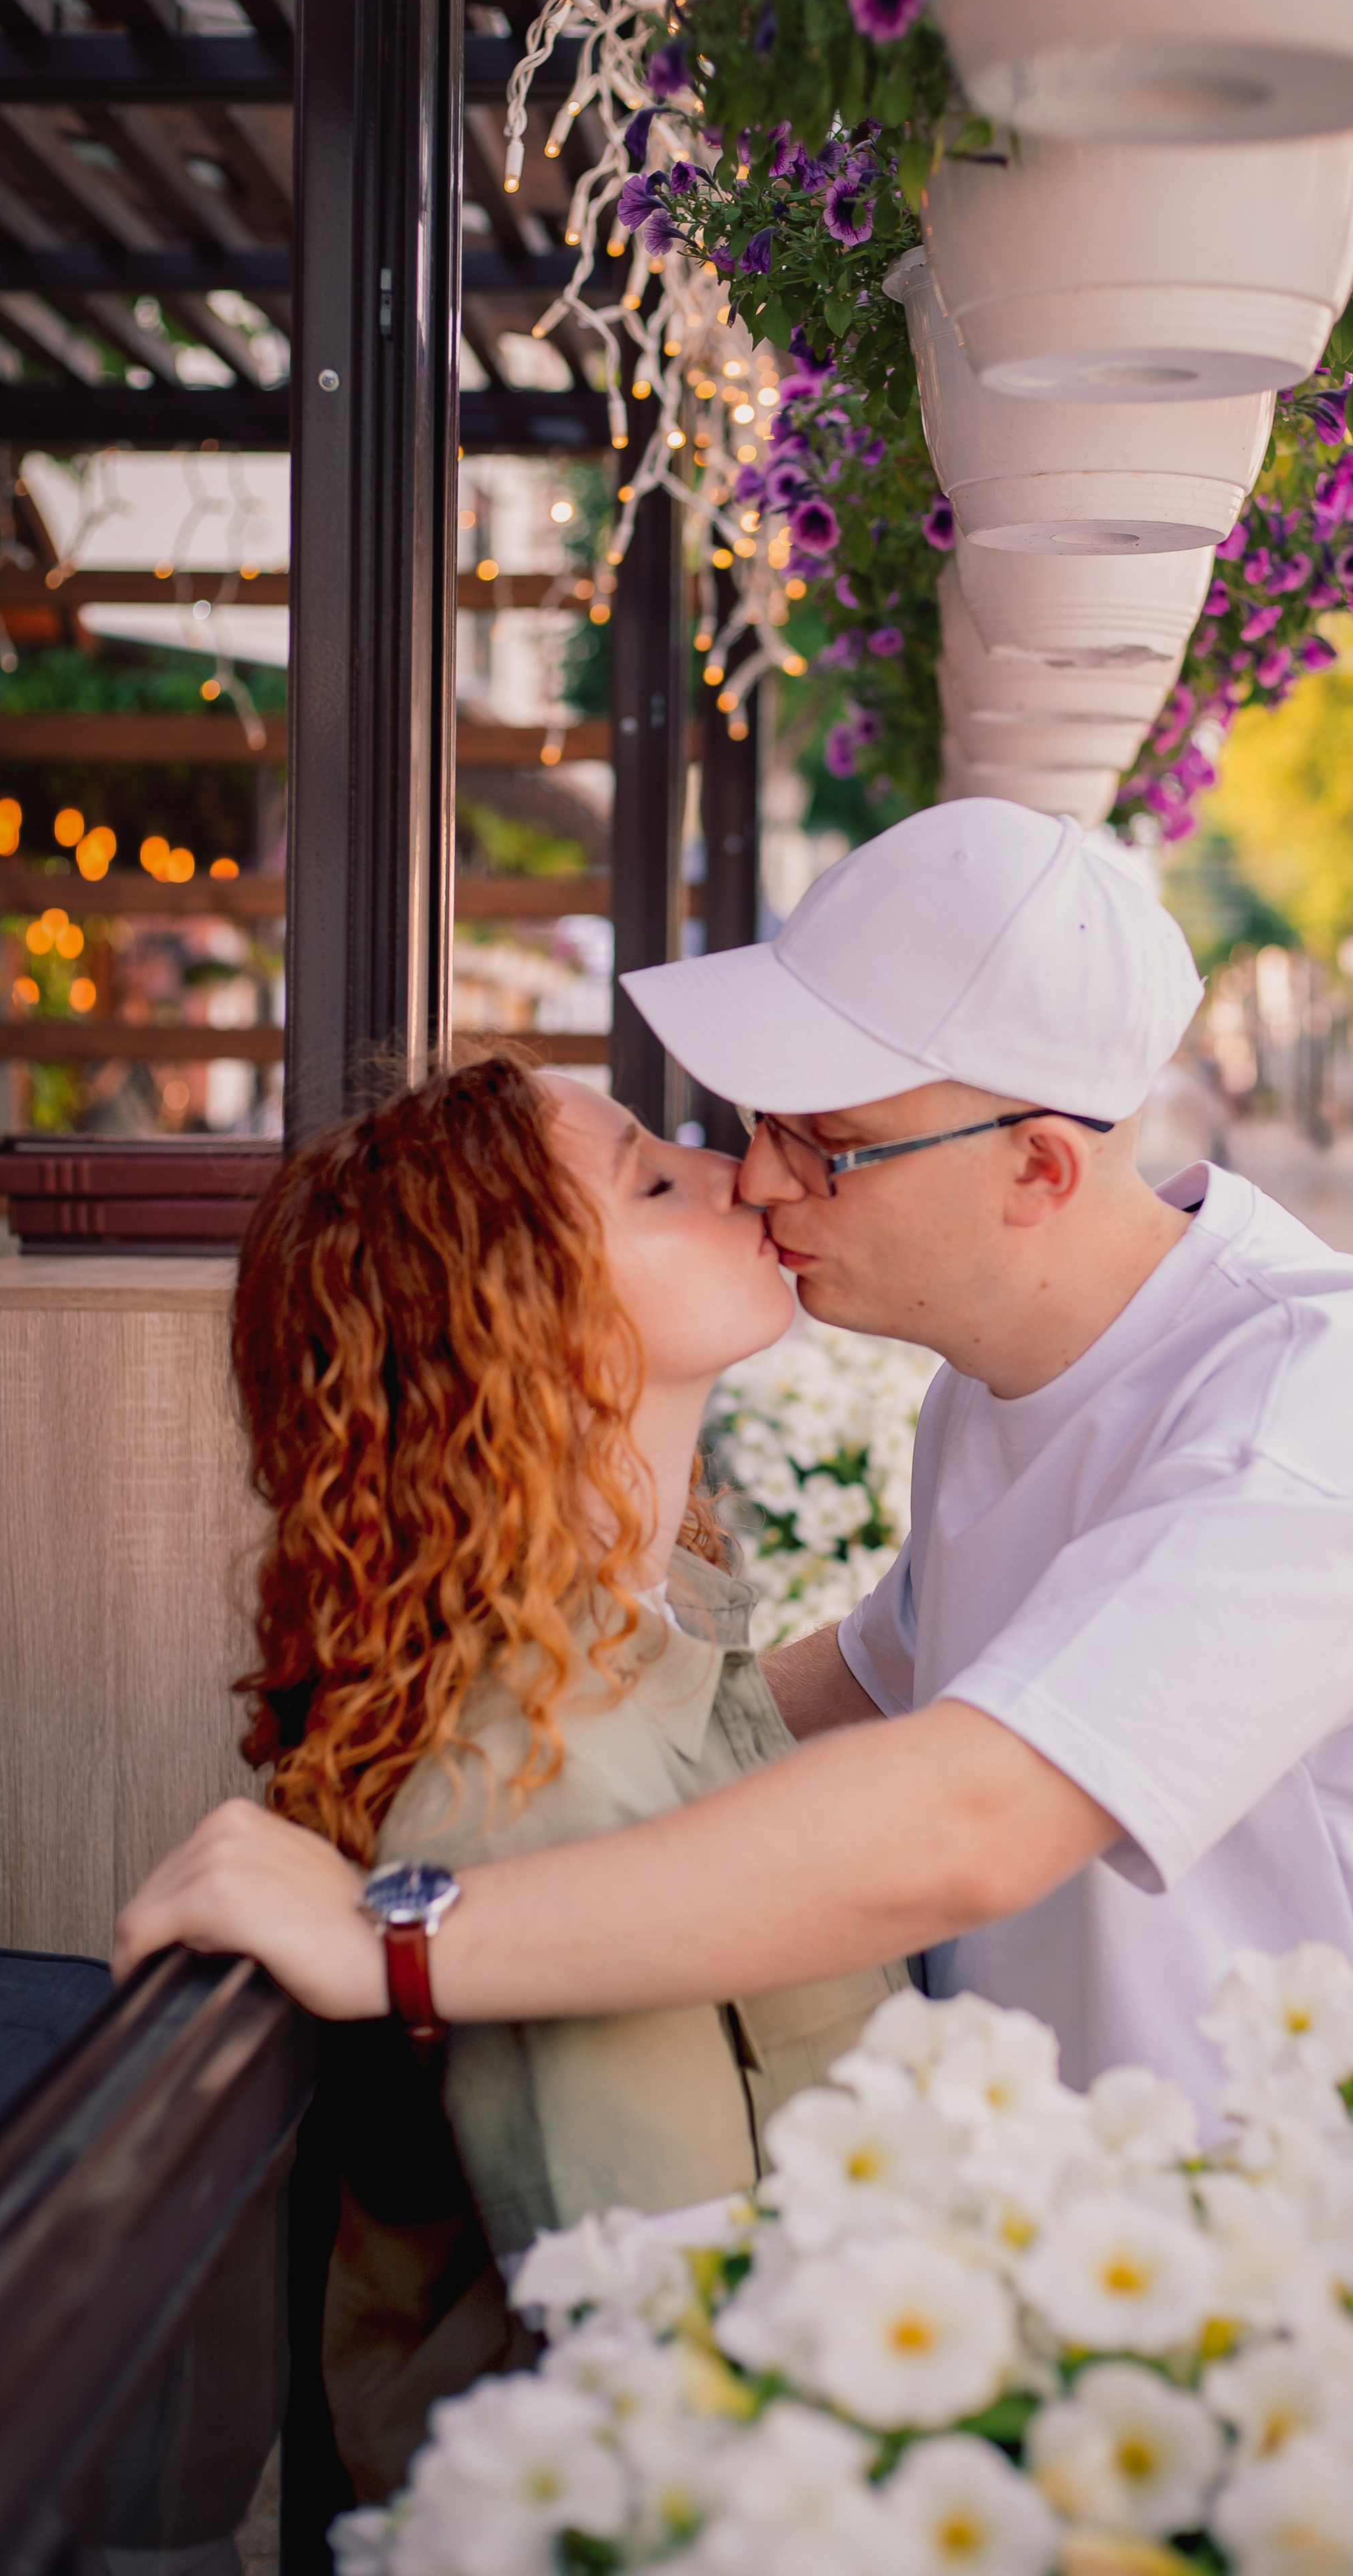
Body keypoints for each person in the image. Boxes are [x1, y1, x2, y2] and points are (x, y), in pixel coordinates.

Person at [118, 800, 1353, 2265]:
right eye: (747, 1120)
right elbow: (860, 1681)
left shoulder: (1317, 1417)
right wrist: (487, 1716)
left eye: (825, 1140)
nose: (755, 1173)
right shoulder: (1000, 1384)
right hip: (1173, 2293)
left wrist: (394, 1933)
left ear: (1038, 1169)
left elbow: (969, 1816)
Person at [200, 1052, 907, 2497]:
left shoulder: (665, 1634)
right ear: (537, 1335)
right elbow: (672, 2363)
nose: (744, 1174)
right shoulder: (536, 1786)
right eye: (655, 1177)